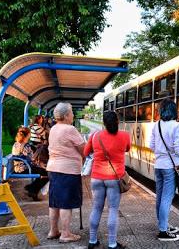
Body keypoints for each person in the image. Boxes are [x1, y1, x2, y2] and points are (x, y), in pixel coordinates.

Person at [85, 111, 130, 249]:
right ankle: (112, 243)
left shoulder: (95, 135)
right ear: (117, 121)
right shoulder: (124, 135)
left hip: (97, 177)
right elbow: (127, 148)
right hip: (115, 178)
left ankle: (92, 241)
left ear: (103, 123)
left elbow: (86, 153)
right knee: (113, 209)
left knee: (97, 208)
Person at [46, 102, 86, 243]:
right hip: (68, 170)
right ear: (66, 115)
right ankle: (66, 234)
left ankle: (53, 230)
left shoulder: (53, 129)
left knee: (55, 201)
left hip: (53, 169)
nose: (73, 115)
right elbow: (83, 149)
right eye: (71, 112)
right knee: (65, 202)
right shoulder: (70, 129)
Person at [149, 98, 179, 242]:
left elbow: (151, 145)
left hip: (158, 165)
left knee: (160, 197)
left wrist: (161, 152)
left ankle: (163, 225)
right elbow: (177, 149)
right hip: (169, 166)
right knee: (167, 198)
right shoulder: (176, 126)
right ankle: (163, 231)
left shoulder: (156, 125)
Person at [11, 126, 48, 201]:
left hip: (18, 168)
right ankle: (32, 189)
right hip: (24, 168)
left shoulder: (16, 144)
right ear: (28, 135)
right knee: (46, 173)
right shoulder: (26, 146)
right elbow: (31, 160)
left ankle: (32, 189)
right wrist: (41, 166)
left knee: (43, 172)